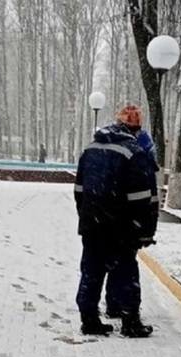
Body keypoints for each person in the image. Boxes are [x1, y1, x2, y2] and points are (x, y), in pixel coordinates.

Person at [74, 104, 159, 338]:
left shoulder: (91, 149)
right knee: (125, 271)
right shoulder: (134, 152)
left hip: (92, 224)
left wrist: (87, 215)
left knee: (91, 269)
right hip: (121, 226)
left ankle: (89, 319)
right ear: (136, 128)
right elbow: (143, 198)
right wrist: (144, 230)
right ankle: (130, 321)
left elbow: (79, 190)